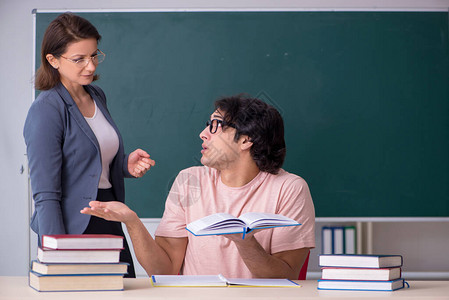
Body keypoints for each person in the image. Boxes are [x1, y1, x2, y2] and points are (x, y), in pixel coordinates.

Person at [81, 95, 315, 279]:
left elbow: (286, 278)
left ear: (245, 140)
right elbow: (165, 271)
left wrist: (244, 242)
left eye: (215, 126)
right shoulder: (189, 180)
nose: (202, 134)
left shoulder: (290, 188)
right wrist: (132, 222)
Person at [23, 13, 155, 278]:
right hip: (72, 226)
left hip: (109, 215)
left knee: (124, 293)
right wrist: (57, 252)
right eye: (79, 59)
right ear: (53, 60)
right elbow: (45, 193)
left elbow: (89, 159)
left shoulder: (96, 95)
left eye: (94, 55)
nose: (91, 66)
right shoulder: (47, 109)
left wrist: (122, 165)